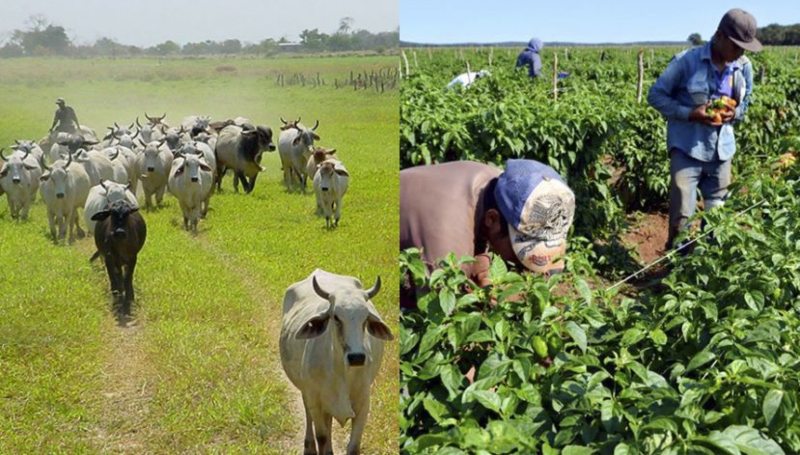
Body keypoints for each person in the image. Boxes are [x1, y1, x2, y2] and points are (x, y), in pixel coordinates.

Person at [647, 8, 760, 250]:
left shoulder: (743, 66)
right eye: (736, 46)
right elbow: (656, 95)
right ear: (719, 35)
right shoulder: (686, 62)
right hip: (687, 148)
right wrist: (690, 113)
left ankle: (709, 267)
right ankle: (678, 268)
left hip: (722, 152)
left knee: (716, 215)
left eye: (744, 48)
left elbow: (747, 100)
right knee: (682, 216)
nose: (740, 53)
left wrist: (735, 112)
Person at [400, 159, 575, 309]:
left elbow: (482, 229)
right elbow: (436, 310)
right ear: (492, 219)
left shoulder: (509, 185)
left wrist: (480, 269)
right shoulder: (445, 240)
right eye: (520, 246)